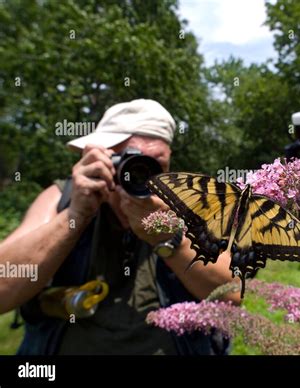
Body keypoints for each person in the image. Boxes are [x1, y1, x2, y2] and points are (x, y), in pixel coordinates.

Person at [0, 99, 240, 355]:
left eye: (153, 165)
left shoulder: (188, 205)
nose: (140, 177)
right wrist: (75, 217)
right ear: (98, 157)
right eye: (126, 161)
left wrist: (171, 239)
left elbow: (234, 296)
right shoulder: (64, 198)